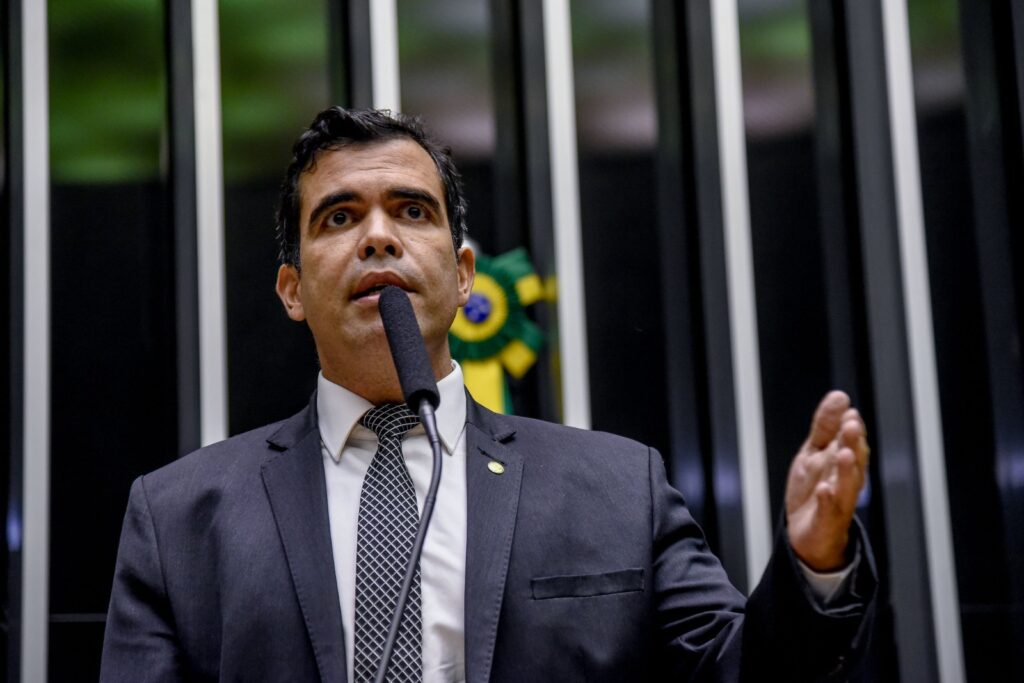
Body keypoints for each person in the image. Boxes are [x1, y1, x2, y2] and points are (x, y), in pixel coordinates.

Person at [101, 107, 876, 682]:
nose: (378, 236)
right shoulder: (178, 518)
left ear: (464, 274)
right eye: (340, 216)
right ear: (292, 289)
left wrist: (814, 564)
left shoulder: (617, 489)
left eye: (412, 210)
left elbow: (742, 670)